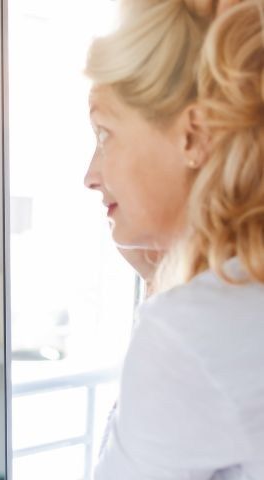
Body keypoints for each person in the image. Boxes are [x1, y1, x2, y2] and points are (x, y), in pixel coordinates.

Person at [83, 0, 264, 478]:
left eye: (105, 133)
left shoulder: (191, 331)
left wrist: (171, 309)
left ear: (193, 137)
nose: (90, 176)